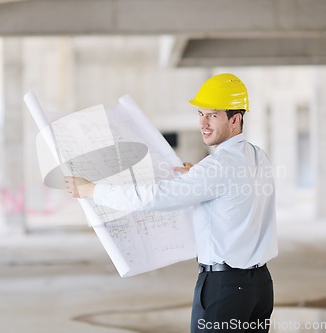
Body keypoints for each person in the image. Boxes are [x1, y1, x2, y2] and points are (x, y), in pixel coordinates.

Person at [65, 73, 278, 333]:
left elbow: (155, 197)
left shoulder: (216, 167)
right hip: (260, 288)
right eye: (200, 114)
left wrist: (93, 190)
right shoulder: (258, 157)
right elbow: (236, 191)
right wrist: (196, 177)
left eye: (213, 115)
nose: (203, 123)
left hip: (225, 290)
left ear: (235, 119)